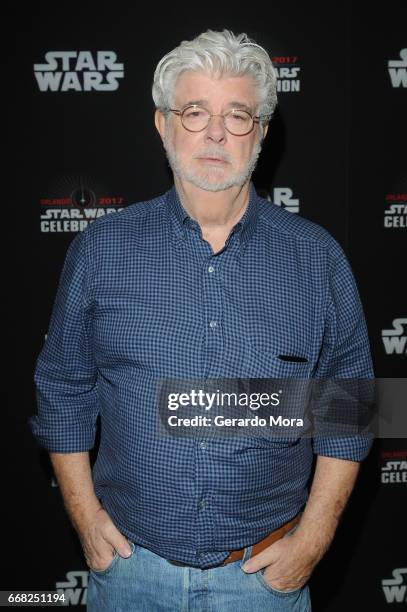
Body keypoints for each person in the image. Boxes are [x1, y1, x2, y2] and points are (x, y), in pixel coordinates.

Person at [30, 29, 374, 611]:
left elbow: (351, 407)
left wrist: (312, 542)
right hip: (130, 575)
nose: (215, 133)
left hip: (263, 583)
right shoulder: (101, 251)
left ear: (261, 133)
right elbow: (63, 389)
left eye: (237, 115)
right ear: (163, 124)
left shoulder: (318, 260)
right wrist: (86, 521)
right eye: (195, 112)